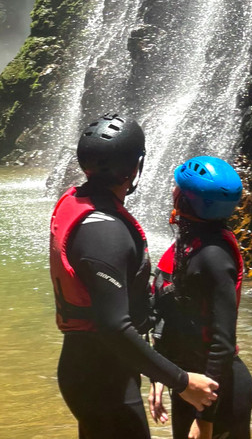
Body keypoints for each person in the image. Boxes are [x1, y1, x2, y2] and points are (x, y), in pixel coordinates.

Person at [50, 114, 220, 438]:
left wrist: (154, 370)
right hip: (101, 375)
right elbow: (114, 326)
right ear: (133, 169)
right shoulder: (105, 233)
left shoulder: (79, 202)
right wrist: (182, 381)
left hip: (92, 366)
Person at [148, 156, 252, 439]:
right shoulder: (188, 244)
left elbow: (222, 340)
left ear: (187, 200)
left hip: (218, 393)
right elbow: (171, 317)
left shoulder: (213, 256)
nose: (172, 192)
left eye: (178, 189)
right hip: (190, 384)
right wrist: (160, 375)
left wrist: (205, 420)